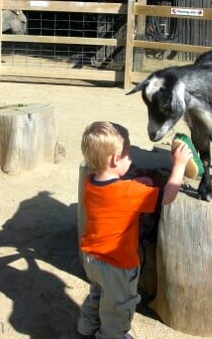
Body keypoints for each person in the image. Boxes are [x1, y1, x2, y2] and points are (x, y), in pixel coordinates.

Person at [77, 121, 191, 339]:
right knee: (119, 305)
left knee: (98, 293)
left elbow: (115, 192)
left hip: (91, 258)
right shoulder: (129, 193)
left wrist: (138, 182)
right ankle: (113, 335)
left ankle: (86, 326)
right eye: (128, 154)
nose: (131, 158)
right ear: (114, 159)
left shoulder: (91, 182)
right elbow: (167, 197)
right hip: (117, 264)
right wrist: (179, 166)